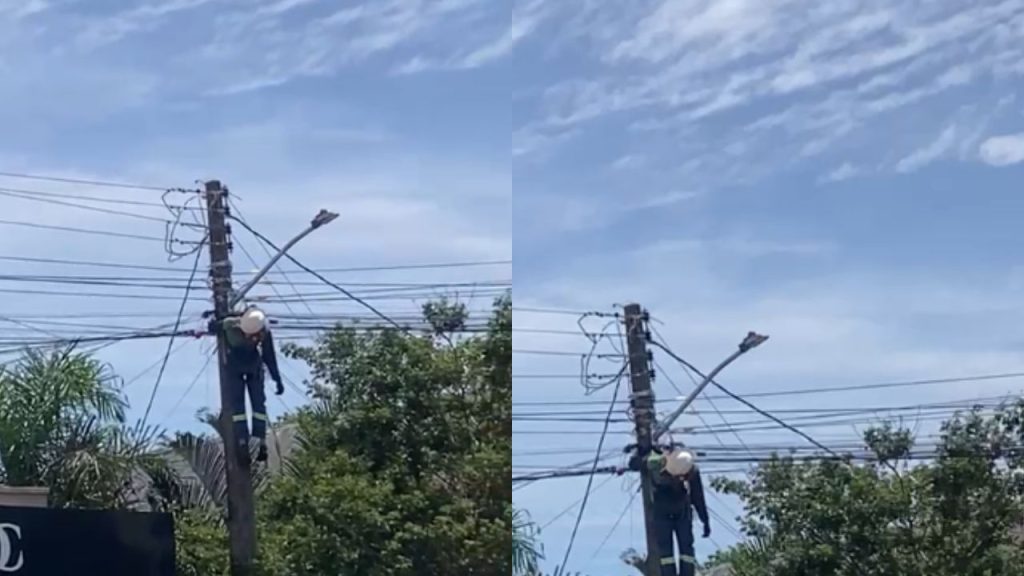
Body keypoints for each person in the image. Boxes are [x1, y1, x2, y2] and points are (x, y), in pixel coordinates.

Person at [221, 306, 283, 463]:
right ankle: (242, 441)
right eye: (249, 335)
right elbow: (219, 325)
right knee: (238, 408)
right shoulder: (230, 326)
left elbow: (269, 355)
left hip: (253, 366)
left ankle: (259, 442)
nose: (252, 338)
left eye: (255, 336)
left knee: (258, 405)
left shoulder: (264, 330)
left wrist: (277, 378)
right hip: (235, 366)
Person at [647, 447, 710, 576]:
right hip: (666, 513)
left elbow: (697, 495)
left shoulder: (691, 469)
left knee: (681, 551)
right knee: (669, 553)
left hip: (677, 513)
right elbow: (697, 496)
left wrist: (705, 519)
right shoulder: (657, 466)